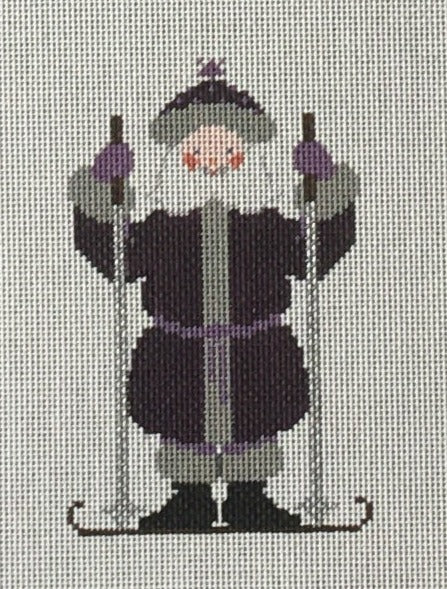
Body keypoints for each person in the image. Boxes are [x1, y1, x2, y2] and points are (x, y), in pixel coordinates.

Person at [69, 60, 359, 531]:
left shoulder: (265, 227)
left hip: (255, 346)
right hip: (178, 347)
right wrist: (101, 192)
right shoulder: (162, 228)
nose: (213, 160)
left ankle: (249, 498)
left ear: (246, 155)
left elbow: (314, 255)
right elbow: (116, 260)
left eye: (227, 148)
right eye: (197, 149)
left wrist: (326, 189)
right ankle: (190, 499)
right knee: (180, 418)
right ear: (178, 157)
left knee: (256, 415)